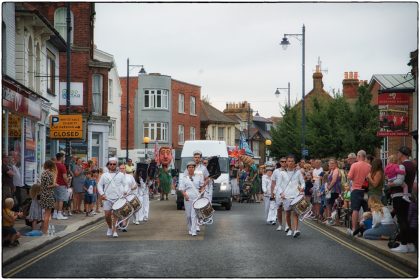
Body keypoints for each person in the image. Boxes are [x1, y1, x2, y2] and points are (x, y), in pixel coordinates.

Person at [387, 146, 416, 253]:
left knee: (401, 220)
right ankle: (410, 244)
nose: (397, 155)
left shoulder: (402, 166)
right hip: (407, 195)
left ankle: (404, 244)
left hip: (399, 195)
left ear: (401, 154)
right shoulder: (412, 165)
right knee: (406, 220)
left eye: (398, 153)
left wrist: (390, 184)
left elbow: (399, 182)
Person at [97, 157, 128, 238]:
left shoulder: (121, 175)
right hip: (107, 198)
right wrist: (102, 194)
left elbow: (125, 184)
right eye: (111, 164)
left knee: (115, 215)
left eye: (114, 164)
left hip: (117, 198)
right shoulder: (104, 175)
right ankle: (110, 227)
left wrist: (125, 191)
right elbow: (99, 185)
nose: (112, 165)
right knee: (107, 215)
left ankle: (114, 231)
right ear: (108, 165)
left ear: (116, 165)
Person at [278, 155, 305, 237]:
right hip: (286, 196)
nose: (290, 163)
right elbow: (278, 185)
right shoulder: (282, 173)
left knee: (296, 213)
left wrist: (302, 188)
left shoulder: (298, 172)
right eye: (289, 161)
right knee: (288, 213)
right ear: (286, 162)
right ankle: (290, 228)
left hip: (296, 195)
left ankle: (296, 230)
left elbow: (303, 182)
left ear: (294, 162)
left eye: (292, 161)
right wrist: (281, 193)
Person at [347, 150, 371, 236]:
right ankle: (367, 229)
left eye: (357, 156)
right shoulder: (369, 166)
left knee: (355, 210)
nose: (356, 157)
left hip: (356, 190)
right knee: (366, 210)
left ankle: (354, 229)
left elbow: (349, 177)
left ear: (359, 156)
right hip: (365, 191)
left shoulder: (354, 165)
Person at [178, 161, 203, 236]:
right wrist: (185, 195)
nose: (191, 168)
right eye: (189, 167)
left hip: (196, 197)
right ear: (187, 169)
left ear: (194, 168)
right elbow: (182, 188)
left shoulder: (199, 177)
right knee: (188, 215)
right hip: (188, 197)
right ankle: (190, 228)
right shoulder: (184, 178)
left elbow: (201, 187)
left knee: (194, 214)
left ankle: (194, 230)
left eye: (192, 167)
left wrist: (201, 192)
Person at [39, 160, 57, 235]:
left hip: (43, 194)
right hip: (49, 195)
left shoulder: (43, 173)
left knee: (45, 214)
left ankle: (43, 229)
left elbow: (43, 185)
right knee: (47, 214)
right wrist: (54, 185)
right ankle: (45, 231)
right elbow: (48, 186)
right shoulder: (50, 174)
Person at [271, 157, 287, 230]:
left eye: (285, 161)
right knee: (279, 209)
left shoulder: (289, 171)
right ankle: (280, 224)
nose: (283, 163)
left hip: (287, 192)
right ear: (280, 163)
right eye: (282, 161)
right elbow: (273, 183)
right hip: (278, 193)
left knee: (288, 209)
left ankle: (287, 225)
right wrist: (272, 194)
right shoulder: (276, 171)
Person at [53, 153, 69, 220]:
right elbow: (65, 177)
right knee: (61, 200)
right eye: (64, 157)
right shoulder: (62, 166)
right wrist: (68, 182)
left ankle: (55, 213)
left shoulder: (54, 165)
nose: (64, 159)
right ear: (62, 158)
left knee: (56, 199)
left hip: (55, 184)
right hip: (61, 184)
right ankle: (59, 214)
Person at [325, 159, 341, 225]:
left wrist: (328, 188)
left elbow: (334, 181)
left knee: (333, 205)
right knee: (329, 205)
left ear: (336, 164)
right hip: (331, 190)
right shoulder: (332, 170)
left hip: (335, 190)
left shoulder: (336, 170)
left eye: (333, 163)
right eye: (330, 163)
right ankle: (329, 219)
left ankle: (333, 220)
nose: (331, 165)